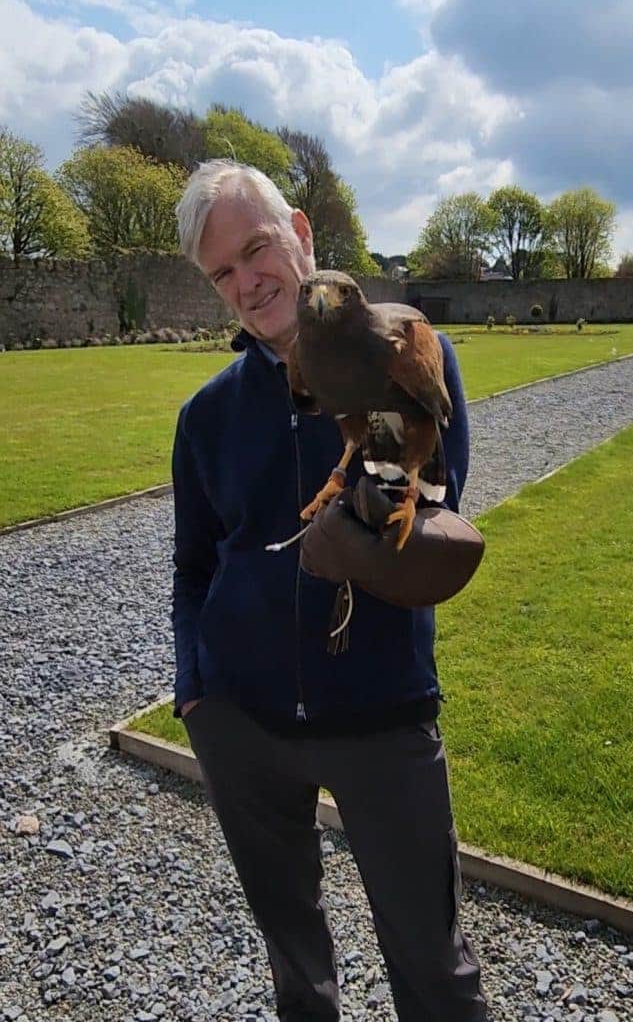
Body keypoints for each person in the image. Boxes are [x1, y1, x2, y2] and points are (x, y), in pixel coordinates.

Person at [171, 159, 488, 1022]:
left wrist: (368, 529)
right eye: (222, 273)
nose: (246, 282)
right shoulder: (206, 415)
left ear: (301, 234)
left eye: (257, 248)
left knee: (436, 969)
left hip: (381, 717)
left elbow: (438, 511)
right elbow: (193, 565)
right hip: (242, 722)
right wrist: (193, 690)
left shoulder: (408, 349)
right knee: (296, 968)